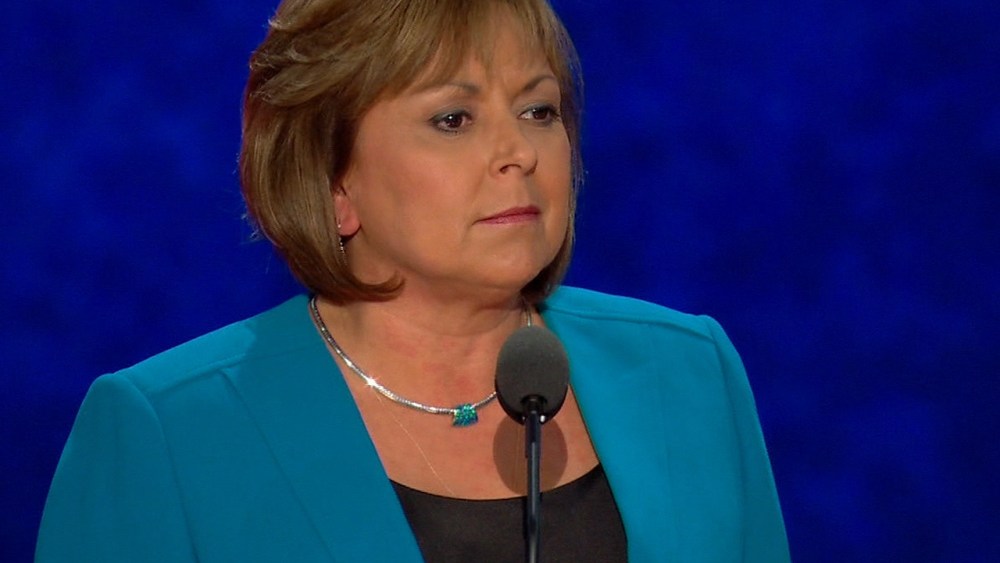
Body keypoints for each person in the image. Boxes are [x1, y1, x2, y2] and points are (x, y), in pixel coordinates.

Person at [36, 0, 789, 561]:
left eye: (538, 109)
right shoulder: (168, 435)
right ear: (334, 181)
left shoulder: (688, 371)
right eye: (453, 119)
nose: (519, 151)